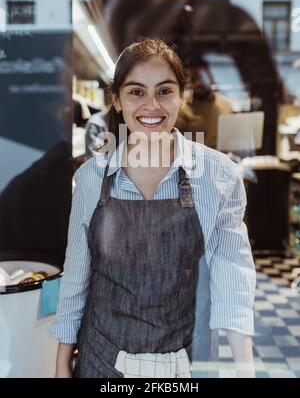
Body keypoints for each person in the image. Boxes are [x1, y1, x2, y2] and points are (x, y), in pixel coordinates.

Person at [49, 38, 256, 378]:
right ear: (116, 99)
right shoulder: (91, 178)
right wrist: (61, 364)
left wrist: (245, 369)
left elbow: (231, 276)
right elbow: (77, 275)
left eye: (164, 91)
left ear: (181, 95)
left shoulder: (219, 175)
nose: (151, 106)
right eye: (136, 92)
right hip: (103, 358)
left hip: (188, 362)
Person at [176, 61, 232, 148]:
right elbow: (177, 144)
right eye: (194, 79)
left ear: (211, 78)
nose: (199, 83)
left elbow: (231, 138)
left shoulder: (226, 105)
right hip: (193, 159)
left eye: (202, 78)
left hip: (223, 157)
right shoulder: (182, 108)